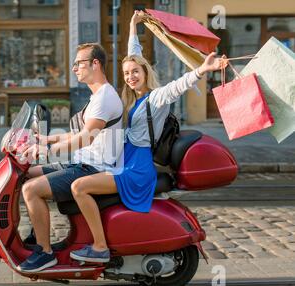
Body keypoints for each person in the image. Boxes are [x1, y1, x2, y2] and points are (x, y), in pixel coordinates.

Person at [68, 10, 228, 263]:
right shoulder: (132, 98)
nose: (130, 77)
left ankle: (100, 247)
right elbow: (135, 54)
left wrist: (202, 70)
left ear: (145, 73)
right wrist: (133, 26)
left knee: (79, 187)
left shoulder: (155, 98)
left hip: (136, 168)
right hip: (123, 162)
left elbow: (178, 86)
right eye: (127, 74)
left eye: (135, 72)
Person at [17, 43, 124, 272]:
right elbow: (78, 133)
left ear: (96, 64)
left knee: (31, 190)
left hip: (93, 168)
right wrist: (47, 140)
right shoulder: (97, 96)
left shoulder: (105, 97)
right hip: (81, 162)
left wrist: (48, 152)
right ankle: (38, 232)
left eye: (79, 63)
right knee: (26, 175)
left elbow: (87, 138)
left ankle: (44, 253)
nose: (75, 68)